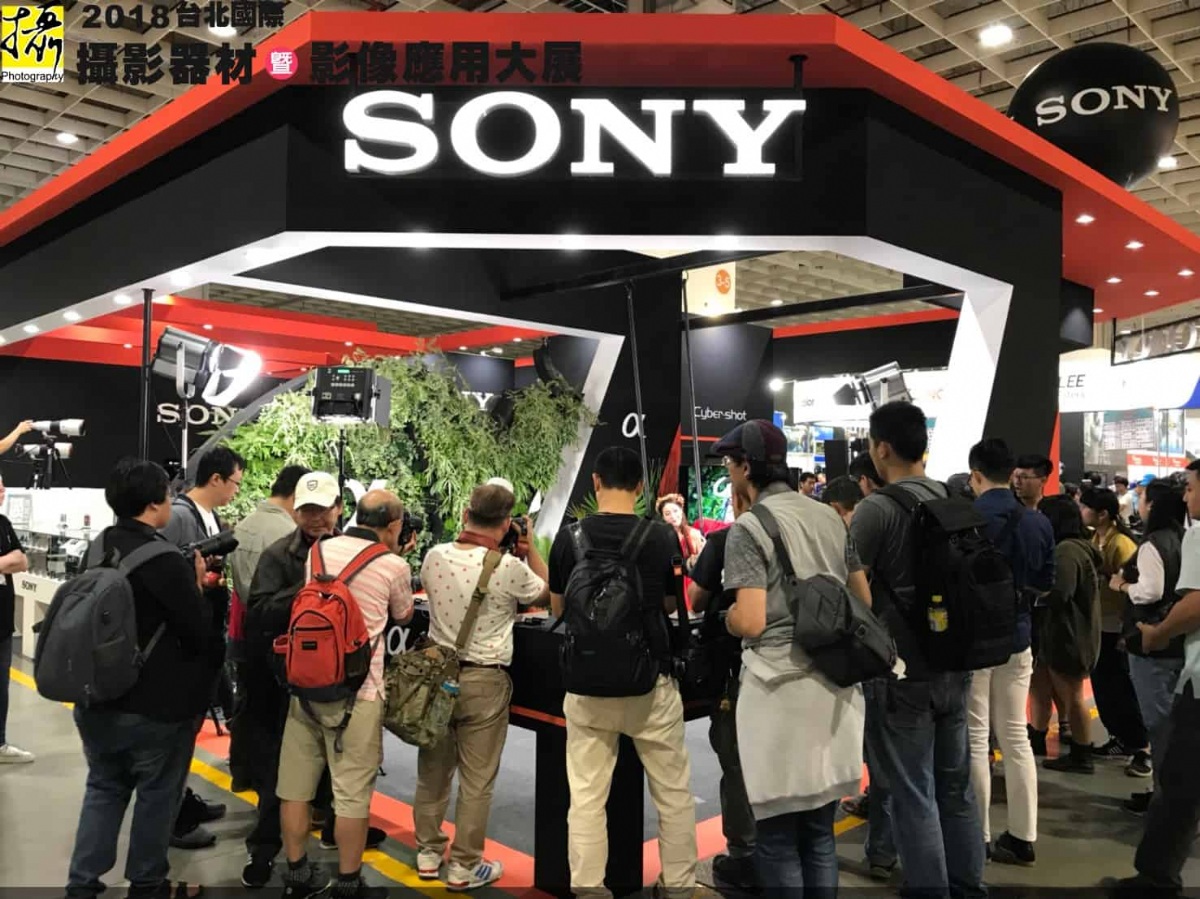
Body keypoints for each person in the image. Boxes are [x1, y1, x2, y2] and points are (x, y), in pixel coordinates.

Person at [717, 420, 866, 895]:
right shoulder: (829, 516)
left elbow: (752, 621)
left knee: (777, 838)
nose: (728, 471)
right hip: (835, 686)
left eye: (730, 463)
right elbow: (863, 599)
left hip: (777, 691)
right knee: (820, 835)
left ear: (746, 467)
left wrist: (727, 618)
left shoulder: (749, 527)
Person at [849, 401, 985, 899]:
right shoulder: (952, 497)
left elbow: (852, 589)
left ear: (882, 448)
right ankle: (968, 887)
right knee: (956, 789)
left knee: (912, 793)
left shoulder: (876, 509)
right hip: (955, 663)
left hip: (902, 672)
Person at [549, 447, 698, 899]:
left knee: (586, 796)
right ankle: (679, 887)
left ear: (595, 482)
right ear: (639, 486)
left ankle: (589, 889)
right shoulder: (661, 538)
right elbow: (671, 604)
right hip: (649, 683)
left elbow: (558, 609)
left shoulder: (569, 538)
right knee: (673, 793)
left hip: (586, 685)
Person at [65, 459, 212, 899]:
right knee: (156, 795)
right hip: (154, 707)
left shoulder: (97, 548)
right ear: (153, 505)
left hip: (97, 698)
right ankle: (148, 885)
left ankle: (81, 886)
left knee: (103, 789)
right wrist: (198, 586)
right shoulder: (165, 559)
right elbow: (198, 631)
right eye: (167, 494)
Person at [276, 489, 415, 899]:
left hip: (305, 686)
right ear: (394, 525)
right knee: (352, 793)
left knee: (295, 787)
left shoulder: (318, 552)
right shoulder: (393, 565)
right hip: (359, 694)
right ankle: (349, 884)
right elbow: (403, 614)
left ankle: (297, 876)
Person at [414, 484, 550, 890]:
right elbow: (547, 594)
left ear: (465, 514)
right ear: (507, 523)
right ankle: (464, 865)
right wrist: (529, 548)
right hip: (484, 681)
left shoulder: (434, 556)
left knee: (432, 770)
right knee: (476, 782)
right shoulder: (507, 568)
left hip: (437, 677)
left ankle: (427, 852)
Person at [239, 471, 354, 890]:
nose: (315, 518)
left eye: (323, 510)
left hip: (342, 681)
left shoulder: (353, 554)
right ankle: (264, 851)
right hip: (285, 683)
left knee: (346, 771)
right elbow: (258, 616)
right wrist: (306, 591)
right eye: (307, 510)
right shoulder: (278, 556)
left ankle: (337, 838)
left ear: (338, 508)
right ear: (296, 511)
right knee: (281, 776)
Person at [1109, 458, 1200, 895]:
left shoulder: (1186, 537)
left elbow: (1192, 602)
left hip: (1188, 674)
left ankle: (1156, 879)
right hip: (1186, 666)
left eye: (1193, 487)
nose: (1187, 495)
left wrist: (1156, 631)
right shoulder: (1183, 536)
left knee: (1178, 774)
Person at [965, 437, 1054, 866]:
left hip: (974, 643)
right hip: (1018, 638)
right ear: (1011, 474)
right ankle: (1022, 836)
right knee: (1016, 736)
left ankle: (976, 837)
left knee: (975, 738)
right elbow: (1046, 583)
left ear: (975, 474)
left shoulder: (965, 519)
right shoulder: (1038, 523)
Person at [159, 445, 246, 849]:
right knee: (178, 733)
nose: (235, 491)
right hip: (185, 644)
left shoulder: (208, 517)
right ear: (215, 479)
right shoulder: (180, 516)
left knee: (190, 729)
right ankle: (170, 816)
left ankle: (180, 799)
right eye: (234, 483)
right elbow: (165, 574)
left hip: (205, 638)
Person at [686, 490, 757, 892]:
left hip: (734, 666)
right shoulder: (800, 533)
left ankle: (745, 856)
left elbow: (695, 599)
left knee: (737, 762)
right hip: (796, 666)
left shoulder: (725, 541)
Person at [227, 464, 311, 794]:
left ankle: (243, 773)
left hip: (247, 633)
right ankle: (271, 790)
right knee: (277, 723)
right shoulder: (285, 534)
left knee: (250, 709)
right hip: (277, 638)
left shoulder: (246, 524)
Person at [1110, 478, 1187, 815]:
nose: (1138, 503)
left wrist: (1123, 585)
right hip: (1178, 641)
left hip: (1152, 641)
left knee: (1160, 724)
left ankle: (1165, 799)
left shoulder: (1153, 544)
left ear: (1153, 506)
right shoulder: (1185, 539)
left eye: (1142, 498)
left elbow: (1150, 592)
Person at [1080, 488, 1151, 773]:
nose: (1081, 512)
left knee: (1121, 688)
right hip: (1100, 624)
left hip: (1117, 627)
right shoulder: (1095, 539)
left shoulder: (1122, 544)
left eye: (1085, 507)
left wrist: (1126, 631)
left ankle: (1141, 748)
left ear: (1102, 514)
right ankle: (1120, 738)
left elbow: (1134, 589)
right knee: (1104, 687)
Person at [1036, 495, 1103, 775]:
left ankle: (1081, 753)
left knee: (1073, 697)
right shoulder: (1080, 548)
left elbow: (1059, 593)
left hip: (1069, 635)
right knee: (1068, 694)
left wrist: (1033, 595)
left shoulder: (1066, 551)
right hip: (1077, 633)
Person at [0, 474, 32, 764]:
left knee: (1, 686)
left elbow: (22, 561)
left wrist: (9, 561)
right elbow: (11, 560)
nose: (3, 491)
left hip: (2, 624)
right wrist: (4, 561)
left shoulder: (3, 524)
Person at [656, 493, 706, 573]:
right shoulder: (661, 538)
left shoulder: (694, 533)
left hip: (694, 576)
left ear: (681, 511)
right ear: (663, 517)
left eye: (675, 511)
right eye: (667, 514)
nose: (673, 516)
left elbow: (704, 562)